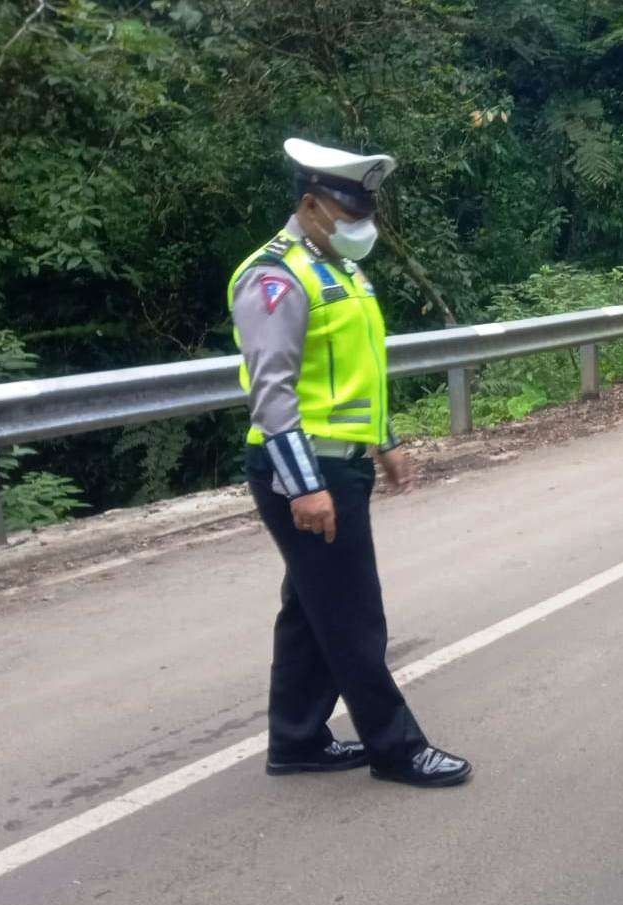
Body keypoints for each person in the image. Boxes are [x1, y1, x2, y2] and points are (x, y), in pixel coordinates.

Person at [231, 138, 470, 788]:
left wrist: (385, 439)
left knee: (311, 608)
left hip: (342, 464)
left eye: (367, 212)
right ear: (310, 204)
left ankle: (298, 739)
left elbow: (356, 374)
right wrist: (305, 486)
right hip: (301, 469)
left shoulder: (339, 268)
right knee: (352, 614)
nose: (363, 225)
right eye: (349, 211)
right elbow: (272, 393)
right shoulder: (276, 278)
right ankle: (396, 747)